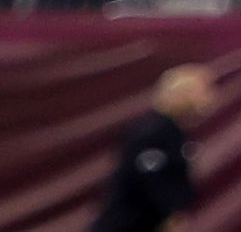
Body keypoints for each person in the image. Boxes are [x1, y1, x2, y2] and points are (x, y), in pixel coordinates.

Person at [86, 63, 214, 232]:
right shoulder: (152, 132)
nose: (207, 98)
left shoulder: (176, 133)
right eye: (201, 91)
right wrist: (170, 214)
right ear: (181, 95)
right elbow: (149, 181)